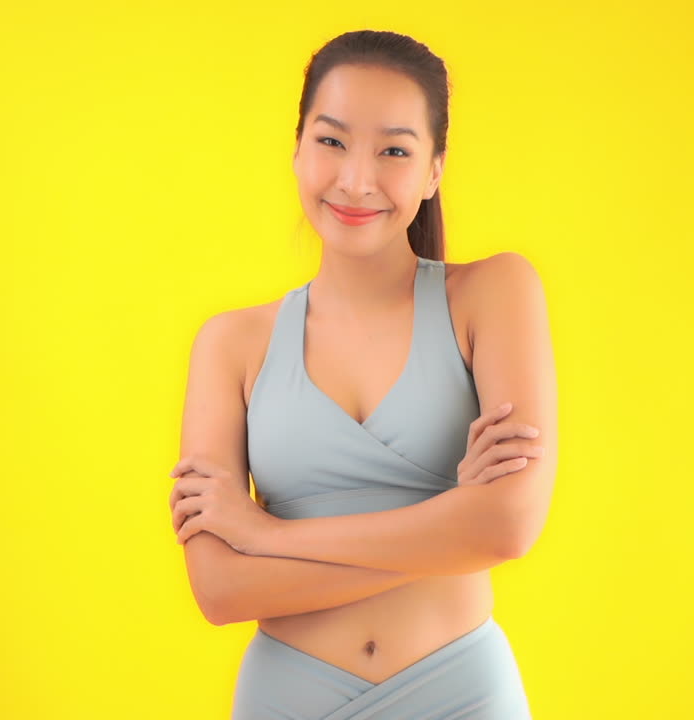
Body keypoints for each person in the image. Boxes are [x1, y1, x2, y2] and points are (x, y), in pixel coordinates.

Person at [168, 30, 557, 719]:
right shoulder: (231, 343)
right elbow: (220, 590)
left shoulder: (494, 294)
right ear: (296, 150)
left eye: (395, 151)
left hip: (463, 694)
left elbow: (508, 527)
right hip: (288, 700)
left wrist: (271, 539)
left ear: (435, 169)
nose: (356, 179)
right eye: (331, 141)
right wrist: (450, 527)